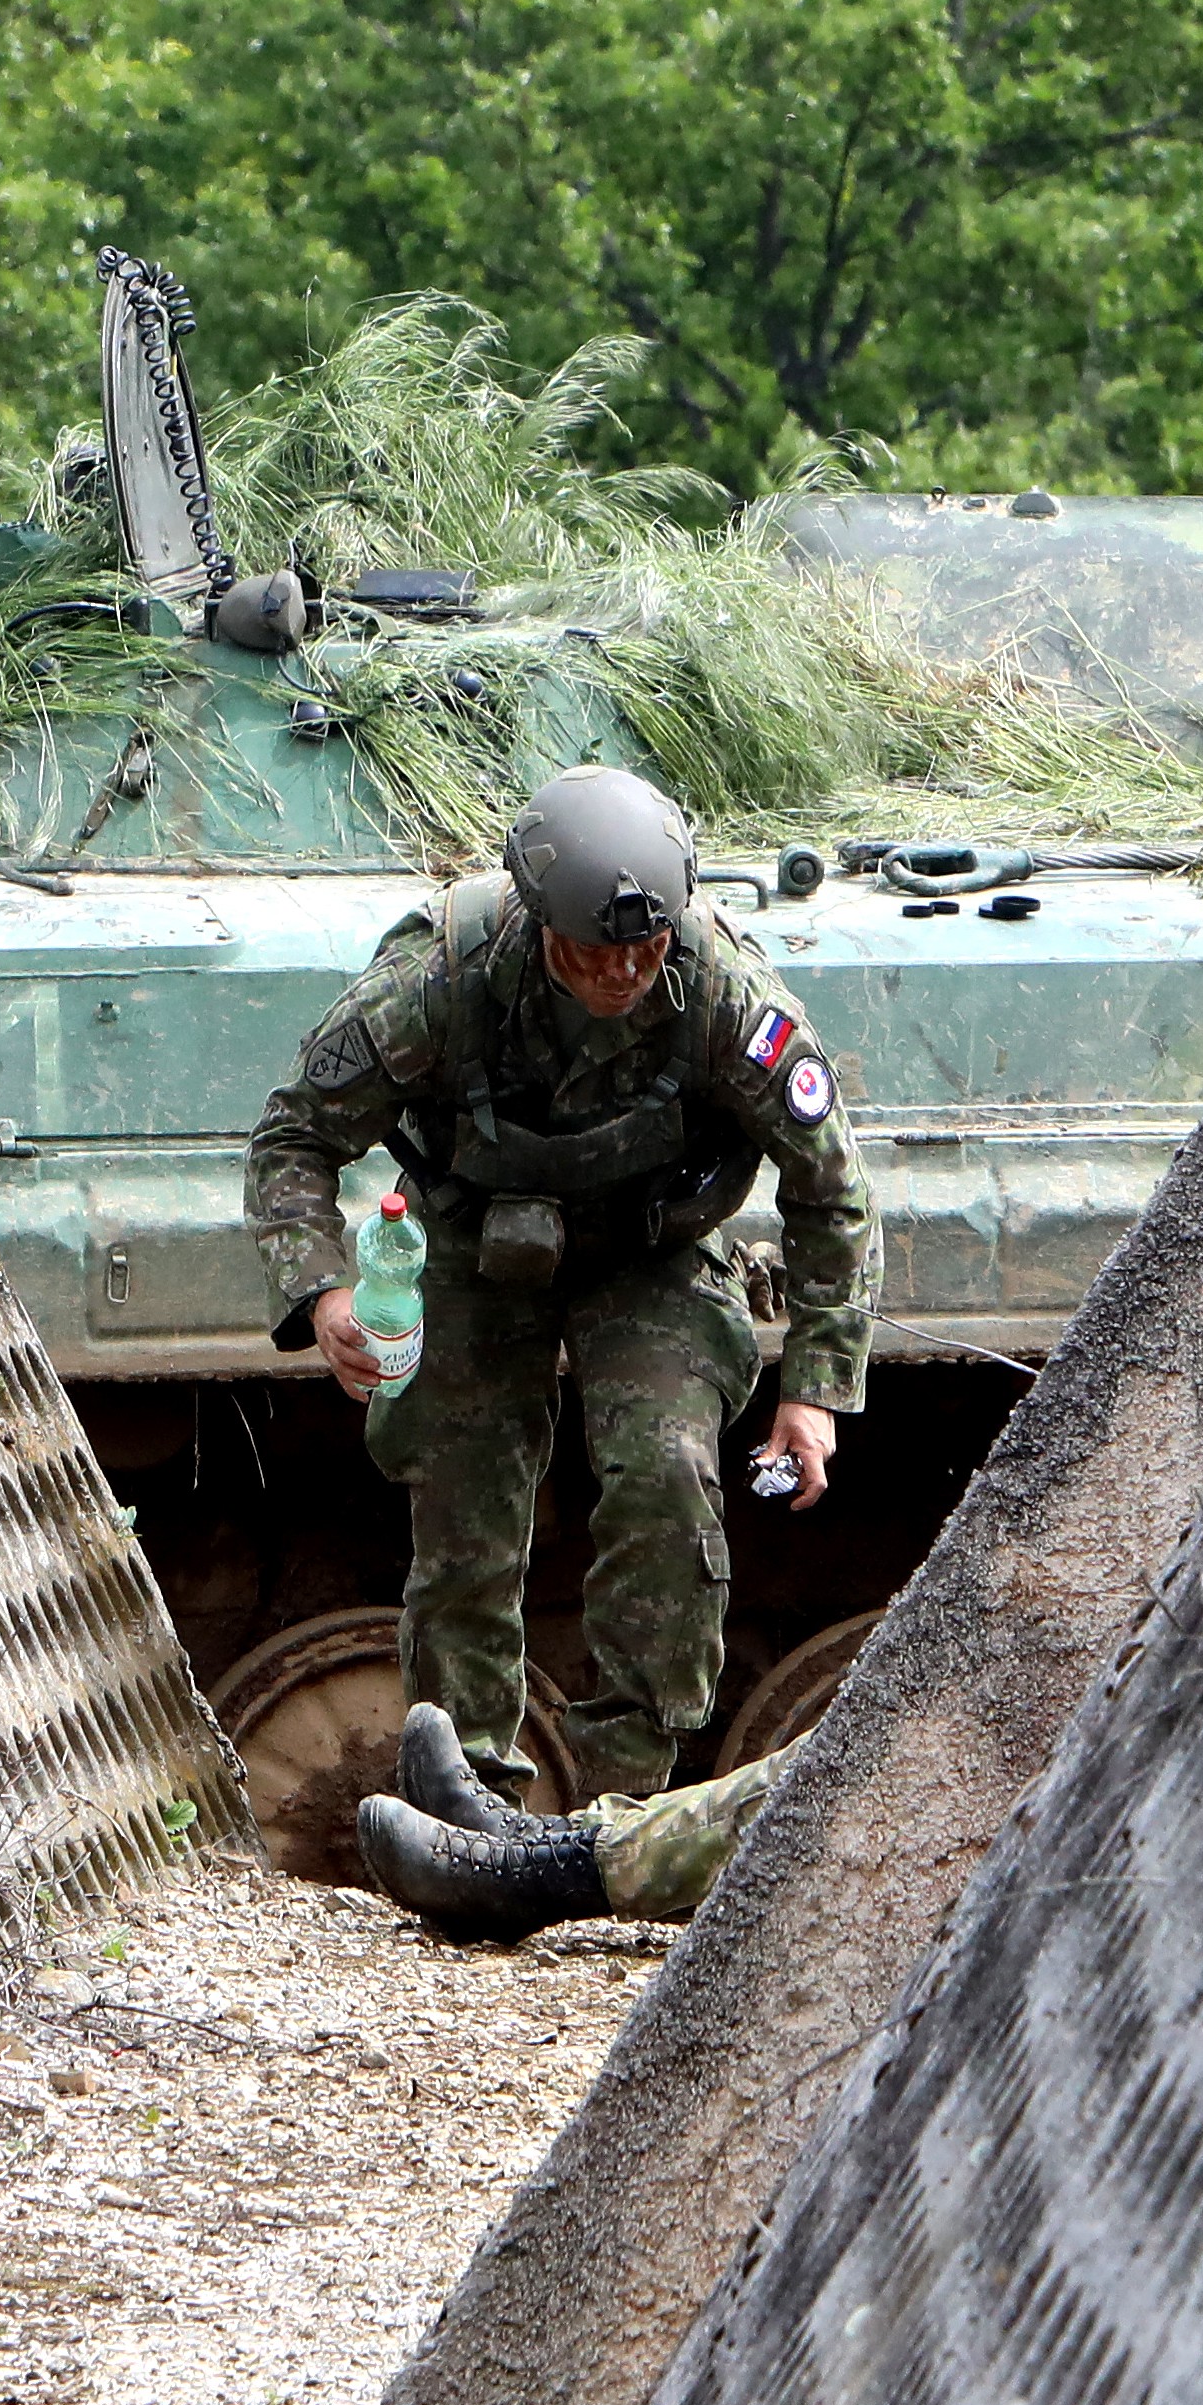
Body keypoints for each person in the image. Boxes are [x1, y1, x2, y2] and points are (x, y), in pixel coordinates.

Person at [243, 763, 878, 1871]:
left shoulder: (724, 994)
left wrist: (816, 1389)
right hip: (476, 1249)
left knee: (667, 1472)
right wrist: (324, 1288)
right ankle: (462, 1791)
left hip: (654, 1253)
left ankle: (623, 1814)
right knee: (461, 1490)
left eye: (643, 948)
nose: (623, 971)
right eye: (594, 949)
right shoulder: (438, 981)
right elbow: (295, 1134)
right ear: (538, 923)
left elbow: (829, 1189)